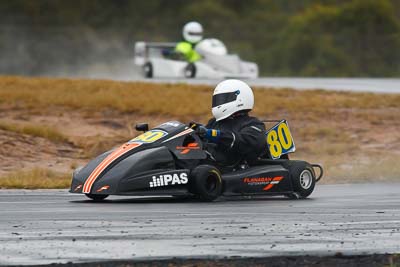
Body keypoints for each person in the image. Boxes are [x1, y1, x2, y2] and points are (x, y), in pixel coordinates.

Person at [195, 79, 267, 169]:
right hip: (207, 163)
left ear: (240, 98)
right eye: (218, 99)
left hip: (233, 168)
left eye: (223, 99)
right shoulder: (215, 122)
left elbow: (244, 142)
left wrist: (214, 135)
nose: (219, 102)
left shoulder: (253, 124)